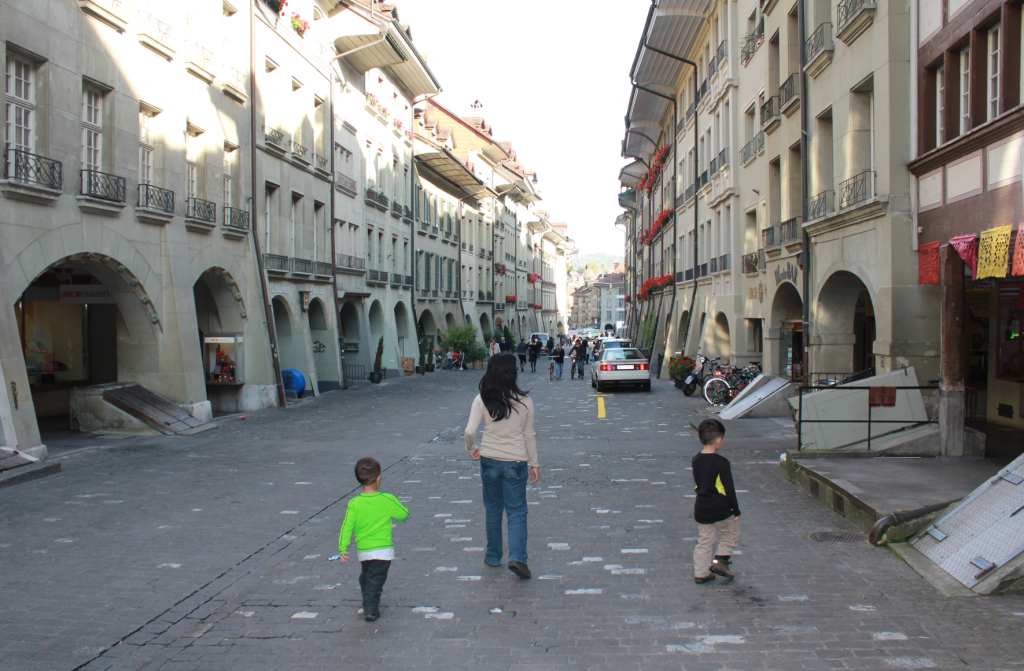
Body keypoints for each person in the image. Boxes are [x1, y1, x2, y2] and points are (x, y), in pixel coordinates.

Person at [464, 353, 539, 579]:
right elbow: (529, 434)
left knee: (493, 508)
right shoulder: (525, 401)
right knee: (517, 510)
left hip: (489, 459)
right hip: (516, 462)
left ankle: (493, 555)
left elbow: (469, 432)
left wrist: (471, 449)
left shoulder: (482, 399)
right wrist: (534, 463)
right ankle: (517, 557)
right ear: (513, 372)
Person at [338, 457, 410, 621]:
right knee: (375, 579)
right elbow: (404, 514)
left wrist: (343, 548)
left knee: (367, 575)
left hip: (364, 550)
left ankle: (367, 598)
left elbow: (346, 527)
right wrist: (393, 503)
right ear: (378, 478)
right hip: (383, 550)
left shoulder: (355, 503)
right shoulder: (387, 499)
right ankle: (370, 609)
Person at [691, 418, 741, 584]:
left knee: (705, 540)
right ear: (719, 440)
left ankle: (701, 573)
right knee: (731, 533)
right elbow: (728, 489)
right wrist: (735, 510)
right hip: (720, 508)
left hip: (702, 507)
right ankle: (720, 561)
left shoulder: (696, 460)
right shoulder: (722, 463)